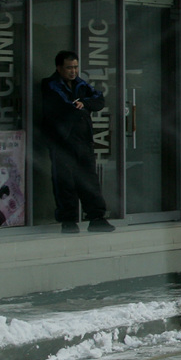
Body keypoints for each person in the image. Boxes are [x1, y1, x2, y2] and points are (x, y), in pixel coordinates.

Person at [40, 51, 115, 234]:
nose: (73, 71)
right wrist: (81, 105)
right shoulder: (50, 84)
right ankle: (68, 220)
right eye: (69, 67)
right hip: (62, 142)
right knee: (65, 182)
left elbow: (99, 100)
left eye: (75, 67)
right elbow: (65, 106)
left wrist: (83, 102)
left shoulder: (81, 85)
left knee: (89, 179)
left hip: (83, 142)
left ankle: (96, 217)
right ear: (59, 68)